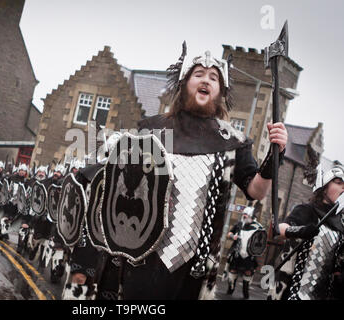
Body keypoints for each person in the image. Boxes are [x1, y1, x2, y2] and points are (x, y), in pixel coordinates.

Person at [93, 44, 288, 300]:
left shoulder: (233, 140)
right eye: (198, 74)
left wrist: (275, 156)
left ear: (220, 91)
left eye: (214, 77)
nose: (206, 79)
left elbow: (255, 190)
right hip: (143, 252)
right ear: (184, 83)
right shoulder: (152, 130)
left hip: (196, 262)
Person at [268, 164, 344, 300]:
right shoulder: (307, 210)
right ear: (324, 186)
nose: (343, 187)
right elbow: (279, 229)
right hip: (293, 290)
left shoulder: (341, 224)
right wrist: (300, 231)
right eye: (338, 183)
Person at [224, 207, 263, 299]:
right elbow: (229, 233)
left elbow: (261, 242)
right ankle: (230, 291)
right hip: (237, 253)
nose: (244, 217)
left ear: (251, 217)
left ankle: (246, 294)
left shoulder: (258, 227)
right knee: (233, 272)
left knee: (247, 274)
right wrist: (233, 236)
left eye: (246, 216)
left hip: (249, 255)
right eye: (244, 216)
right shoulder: (239, 224)